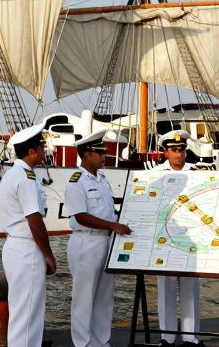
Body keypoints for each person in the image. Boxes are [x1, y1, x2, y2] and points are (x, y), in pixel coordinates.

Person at [66, 130, 132, 347]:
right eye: (99, 153)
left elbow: (109, 212)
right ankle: (83, 343)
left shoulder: (103, 180)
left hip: (106, 241)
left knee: (104, 297)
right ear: (86, 155)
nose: (103, 156)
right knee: (83, 298)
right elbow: (81, 216)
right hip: (86, 242)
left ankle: (101, 341)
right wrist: (113, 225)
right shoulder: (76, 181)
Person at [0, 122, 56, 347]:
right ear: (31, 151)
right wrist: (49, 255)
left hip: (14, 247)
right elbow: (34, 221)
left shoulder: (11, 175)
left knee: (22, 311)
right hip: (27, 249)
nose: (45, 150)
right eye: (42, 146)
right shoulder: (26, 178)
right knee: (28, 313)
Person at [155, 130, 201, 346]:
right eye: (174, 150)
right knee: (166, 290)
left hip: (190, 238)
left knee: (190, 289)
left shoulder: (197, 172)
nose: (179, 154)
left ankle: (191, 337)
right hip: (165, 239)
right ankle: (167, 337)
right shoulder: (156, 175)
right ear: (166, 152)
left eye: (182, 150)